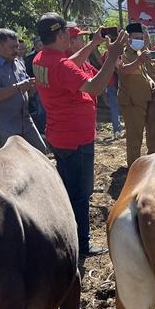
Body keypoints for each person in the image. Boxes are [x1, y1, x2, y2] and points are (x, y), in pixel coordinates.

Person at [33, 13, 127, 258]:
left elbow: (70, 64)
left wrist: (93, 44)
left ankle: (67, 235)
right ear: (62, 34)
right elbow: (96, 86)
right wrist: (114, 53)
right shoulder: (60, 65)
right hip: (76, 139)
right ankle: (81, 245)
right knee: (81, 194)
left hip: (60, 134)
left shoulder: (41, 58)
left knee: (67, 188)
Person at [0, 28, 46, 152]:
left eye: (17, 47)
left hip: (25, 121)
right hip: (4, 125)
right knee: (11, 163)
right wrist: (19, 87)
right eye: (12, 47)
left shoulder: (18, 62)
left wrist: (33, 87)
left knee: (40, 152)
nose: (16, 50)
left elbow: (26, 89)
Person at [117, 22, 155, 170]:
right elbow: (123, 71)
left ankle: (152, 167)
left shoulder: (146, 53)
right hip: (133, 102)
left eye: (141, 38)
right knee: (134, 138)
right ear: (128, 39)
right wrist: (139, 60)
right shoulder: (121, 53)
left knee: (154, 137)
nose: (139, 41)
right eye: (136, 38)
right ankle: (134, 171)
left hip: (153, 100)